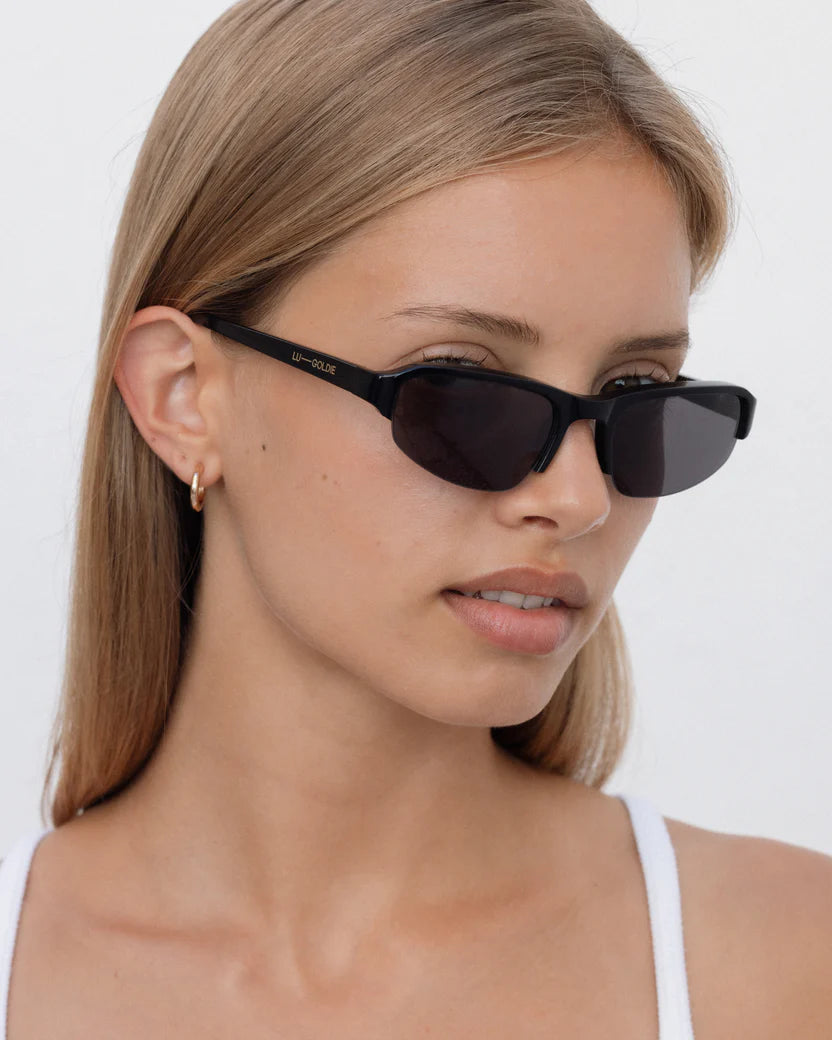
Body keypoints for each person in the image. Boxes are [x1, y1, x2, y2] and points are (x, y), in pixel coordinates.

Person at [1, 0, 829, 1036]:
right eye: (461, 392)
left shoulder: (793, 967)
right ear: (184, 398)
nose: (578, 499)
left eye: (638, 397)